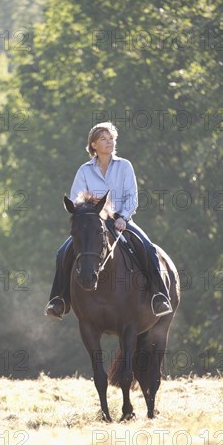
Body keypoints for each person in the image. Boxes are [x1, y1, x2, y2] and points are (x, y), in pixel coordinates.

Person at [44, 122, 172, 320]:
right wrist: (86, 213)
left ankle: (159, 295)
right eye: (104, 139)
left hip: (121, 220)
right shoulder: (84, 170)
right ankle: (59, 300)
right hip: (93, 223)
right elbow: (76, 197)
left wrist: (123, 217)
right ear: (93, 145)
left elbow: (132, 196)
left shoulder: (125, 166)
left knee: (148, 248)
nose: (109, 142)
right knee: (62, 253)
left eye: (111, 138)